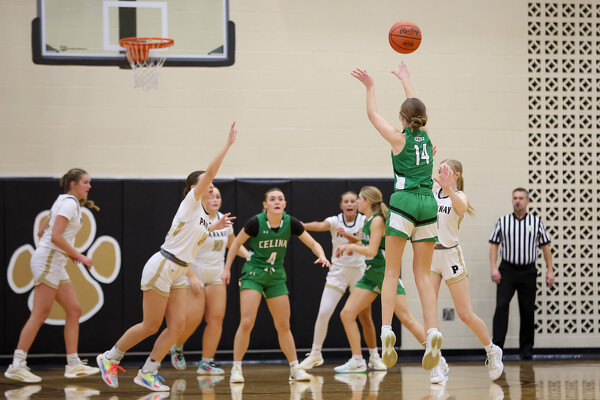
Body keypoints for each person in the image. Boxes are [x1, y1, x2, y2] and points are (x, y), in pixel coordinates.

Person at [97, 123, 238, 392]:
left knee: (177, 326)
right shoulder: (191, 202)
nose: (211, 187)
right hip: (163, 266)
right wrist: (228, 145)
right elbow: (210, 173)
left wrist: (214, 227)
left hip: (179, 271)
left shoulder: (202, 216)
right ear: (195, 187)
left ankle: (148, 372)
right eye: (207, 184)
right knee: (151, 325)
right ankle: (110, 357)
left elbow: (193, 236)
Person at [351, 63, 441, 370]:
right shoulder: (426, 136)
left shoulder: (397, 138)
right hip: (428, 203)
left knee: (391, 272)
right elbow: (415, 109)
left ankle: (387, 329)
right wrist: (406, 81)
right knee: (423, 275)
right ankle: (432, 331)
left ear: (402, 118)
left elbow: (372, 115)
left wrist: (370, 86)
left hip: (404, 202)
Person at [222, 187, 331, 383]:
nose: (277, 202)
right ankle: (236, 368)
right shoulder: (255, 222)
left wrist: (322, 255)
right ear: (265, 204)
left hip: (276, 275)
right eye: (272, 199)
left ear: (285, 204)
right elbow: (236, 244)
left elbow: (314, 244)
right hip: (254, 273)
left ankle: (295, 368)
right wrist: (227, 269)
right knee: (247, 322)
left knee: (283, 324)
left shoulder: (291, 223)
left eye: (280, 199)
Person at [4, 168, 101, 383]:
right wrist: (79, 255)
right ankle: (17, 365)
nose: (89, 186)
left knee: (74, 310)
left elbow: (42, 231)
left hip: (54, 262)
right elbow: (55, 236)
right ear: (73, 184)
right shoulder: (69, 204)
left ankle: (73, 364)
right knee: (39, 315)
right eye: (85, 182)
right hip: (48, 262)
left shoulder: (62, 201)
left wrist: (66, 252)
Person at [335, 186, 427, 373]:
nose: (357, 201)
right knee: (347, 314)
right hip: (371, 275)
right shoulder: (367, 221)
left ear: (367, 201)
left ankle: (438, 357)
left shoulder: (377, 220)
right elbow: (364, 243)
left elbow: (371, 251)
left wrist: (350, 247)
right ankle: (357, 360)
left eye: (359, 198)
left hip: (385, 274)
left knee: (407, 319)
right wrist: (350, 243)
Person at [428, 160, 503, 384]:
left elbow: (461, 208)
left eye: (446, 170)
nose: (441, 173)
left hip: (451, 256)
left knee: (464, 313)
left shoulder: (459, 195)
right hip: (431, 255)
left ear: (457, 174)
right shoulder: (433, 191)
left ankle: (491, 350)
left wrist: (449, 188)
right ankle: (437, 362)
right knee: (429, 312)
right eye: (439, 170)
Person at [299, 191, 386, 371]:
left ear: (358, 204)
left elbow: (363, 243)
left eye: (353, 201)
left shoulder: (365, 220)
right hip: (338, 272)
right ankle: (315, 354)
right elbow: (321, 225)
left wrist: (347, 236)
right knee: (324, 312)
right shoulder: (335, 220)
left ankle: (374, 356)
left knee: (365, 317)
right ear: (341, 205)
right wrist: (303, 226)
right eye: (346, 201)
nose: (350, 204)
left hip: (360, 271)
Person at [169, 186, 248, 375]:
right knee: (193, 318)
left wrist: (251, 257)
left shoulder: (224, 221)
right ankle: (177, 346)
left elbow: (233, 244)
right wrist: (192, 276)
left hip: (216, 274)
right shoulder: (195, 218)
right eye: (212, 195)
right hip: (193, 273)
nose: (215, 199)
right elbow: (183, 250)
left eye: (219, 196)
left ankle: (206, 362)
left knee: (216, 318)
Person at [489, 187, 554, 360]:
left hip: (528, 271)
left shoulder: (536, 222)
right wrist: (493, 267)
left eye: (520, 198)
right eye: (515, 198)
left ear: (527, 201)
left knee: (527, 310)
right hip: (507, 270)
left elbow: (546, 246)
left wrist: (550, 270)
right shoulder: (503, 221)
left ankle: (526, 350)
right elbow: (494, 245)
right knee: (501, 307)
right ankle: (497, 349)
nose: (517, 201)